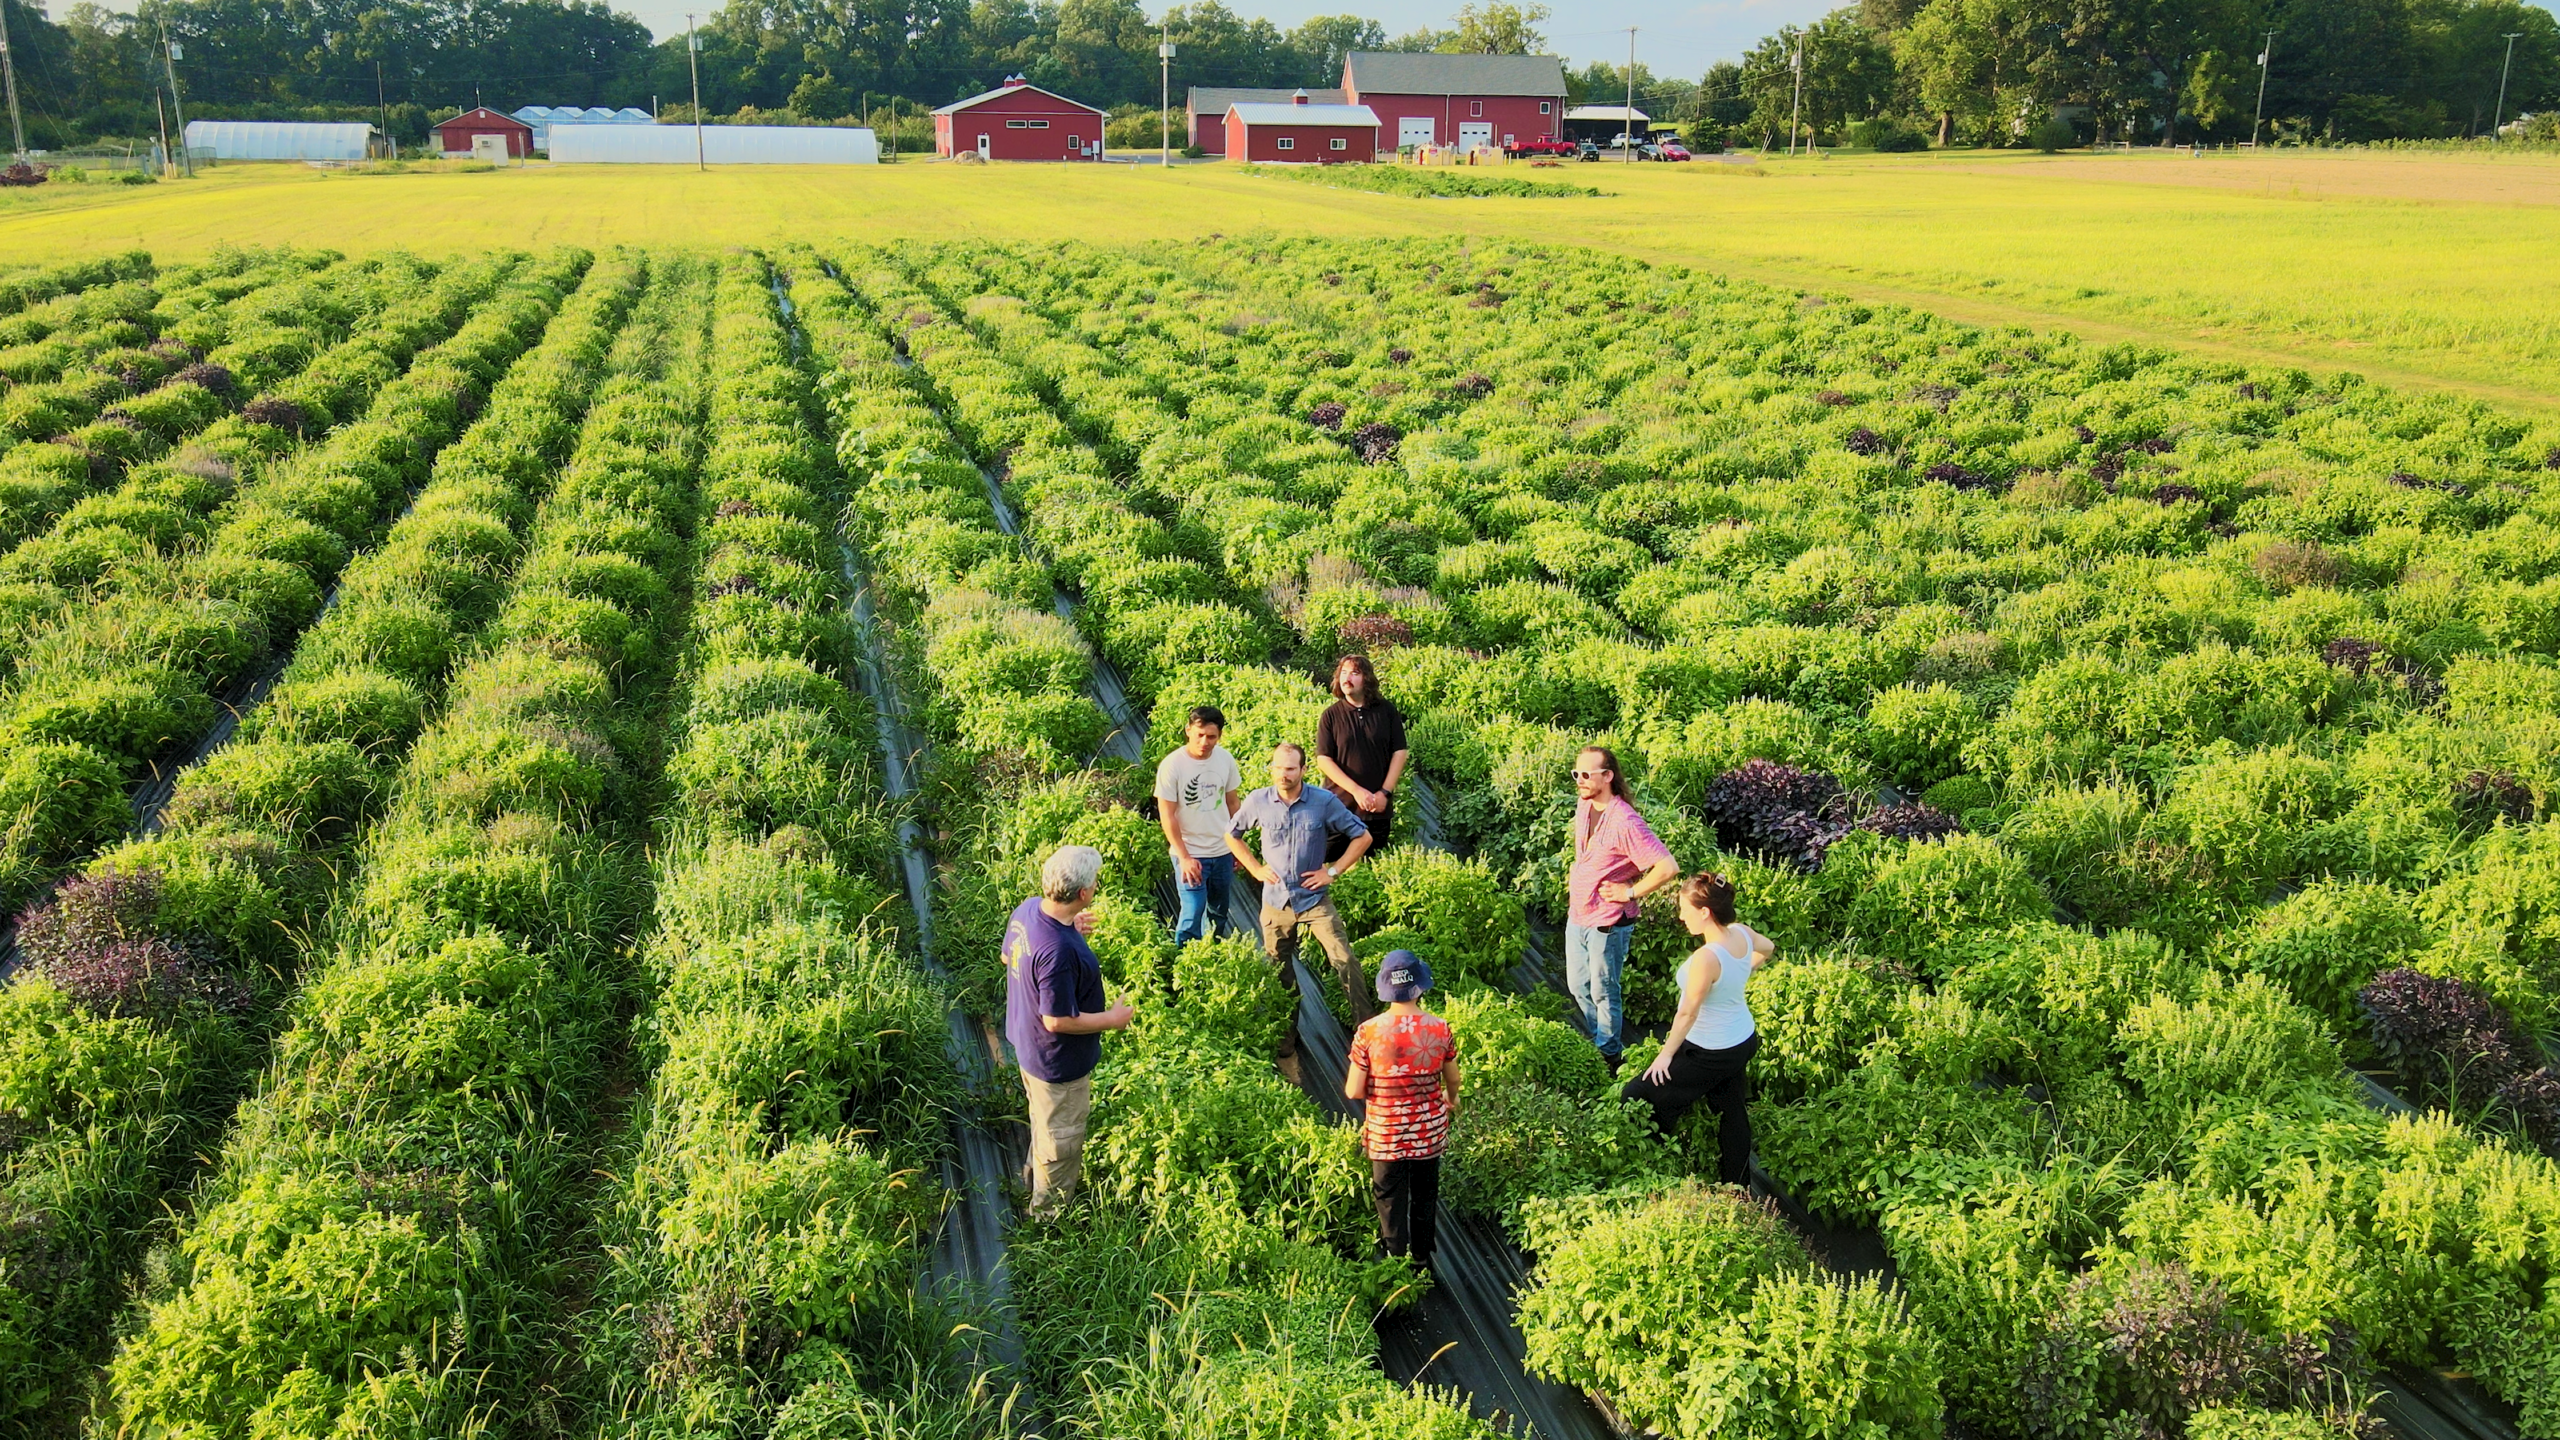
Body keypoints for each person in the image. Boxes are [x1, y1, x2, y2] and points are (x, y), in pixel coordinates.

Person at [1001, 845, 1134, 1219]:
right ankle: (1047, 1220)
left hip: (1028, 1046)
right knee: (1061, 1140)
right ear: (1083, 893)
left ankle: (1031, 1175)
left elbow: (1008, 956)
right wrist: (1113, 1019)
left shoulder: (1029, 911)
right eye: (1094, 883)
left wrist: (1069, 929)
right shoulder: (1059, 950)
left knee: (1044, 1121)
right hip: (1056, 1063)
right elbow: (1056, 1020)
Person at [1621, 872, 1774, 1187]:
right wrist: (1740, 973)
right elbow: (1768, 948)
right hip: (1741, 1039)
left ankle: (1655, 1165)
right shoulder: (1741, 933)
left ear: (1705, 912)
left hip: (1712, 1050)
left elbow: (1688, 1011)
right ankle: (1737, 1185)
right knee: (1732, 1110)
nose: (1680, 916)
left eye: (1685, 910)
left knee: (1638, 1094)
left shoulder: (1707, 957)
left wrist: (1665, 1055)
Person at [1228, 741, 1374, 1047]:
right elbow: (1232, 834)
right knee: (1278, 968)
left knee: (1344, 959)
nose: (1283, 774)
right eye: (1278, 767)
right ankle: (1287, 1036)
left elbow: (1362, 836)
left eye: (1291, 768)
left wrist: (1331, 872)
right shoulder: (1259, 801)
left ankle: (1367, 1033)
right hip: (1276, 900)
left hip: (1314, 898)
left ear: (1303, 770)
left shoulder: (1322, 801)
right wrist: (1255, 869)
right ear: (1272, 768)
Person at [1345, 949, 1459, 1272]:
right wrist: (1451, 1098)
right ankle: (1422, 1259)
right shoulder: (1439, 1029)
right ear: (1419, 986)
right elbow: (1453, 1078)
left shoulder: (1368, 1032)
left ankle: (1395, 1264)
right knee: (1424, 1195)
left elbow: (1353, 1089)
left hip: (1386, 1134)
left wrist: (1384, 1092)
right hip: (1428, 1133)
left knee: (1389, 1198)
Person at [1566, 745, 1679, 1067]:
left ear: (1608, 776)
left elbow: (1667, 867)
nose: (1580, 780)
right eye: (1577, 774)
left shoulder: (1626, 821)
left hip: (1608, 921)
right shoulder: (1584, 806)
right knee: (1578, 985)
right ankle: (1599, 1037)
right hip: (1579, 914)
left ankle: (1609, 1054)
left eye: (1587, 774)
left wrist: (1630, 893)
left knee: (1603, 990)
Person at [1155, 704, 1244, 945]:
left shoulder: (1225, 759)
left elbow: (1233, 802)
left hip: (1222, 851)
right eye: (1200, 735)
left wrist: (1238, 845)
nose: (1205, 742)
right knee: (1192, 913)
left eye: (1211, 736)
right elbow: (1167, 815)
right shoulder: (1172, 765)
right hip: (1191, 854)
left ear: (1220, 736)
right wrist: (1184, 857)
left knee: (1219, 910)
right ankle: (1184, 961)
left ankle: (1212, 954)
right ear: (1188, 731)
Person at [1316, 654, 1409, 860]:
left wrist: (1384, 793)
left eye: (1354, 673)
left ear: (1366, 678)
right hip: (1339, 807)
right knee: (1330, 864)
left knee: (1372, 866)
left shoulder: (1386, 711)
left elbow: (1400, 752)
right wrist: (1357, 791)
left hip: (1377, 808)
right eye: (1344, 673)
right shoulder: (1331, 715)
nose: (1347, 678)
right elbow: (1323, 759)